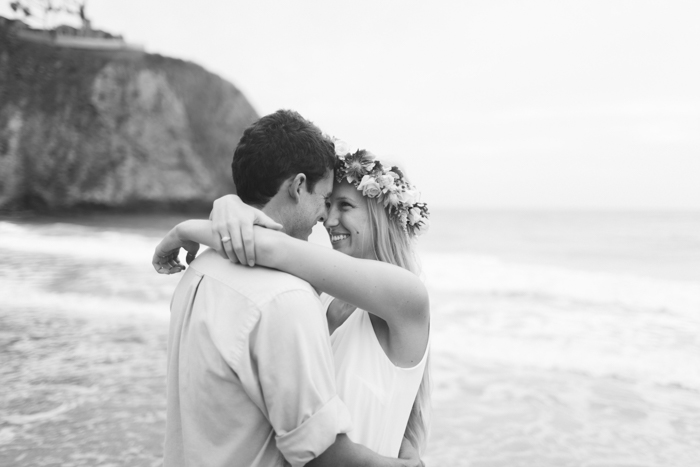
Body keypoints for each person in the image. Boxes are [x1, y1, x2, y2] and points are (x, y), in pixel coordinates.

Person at [155, 109, 422, 467]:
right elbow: (319, 452)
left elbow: (272, 247)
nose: (326, 218)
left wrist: (191, 227)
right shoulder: (300, 298)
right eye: (326, 201)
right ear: (298, 186)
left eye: (343, 205)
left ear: (379, 217)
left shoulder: (201, 271)